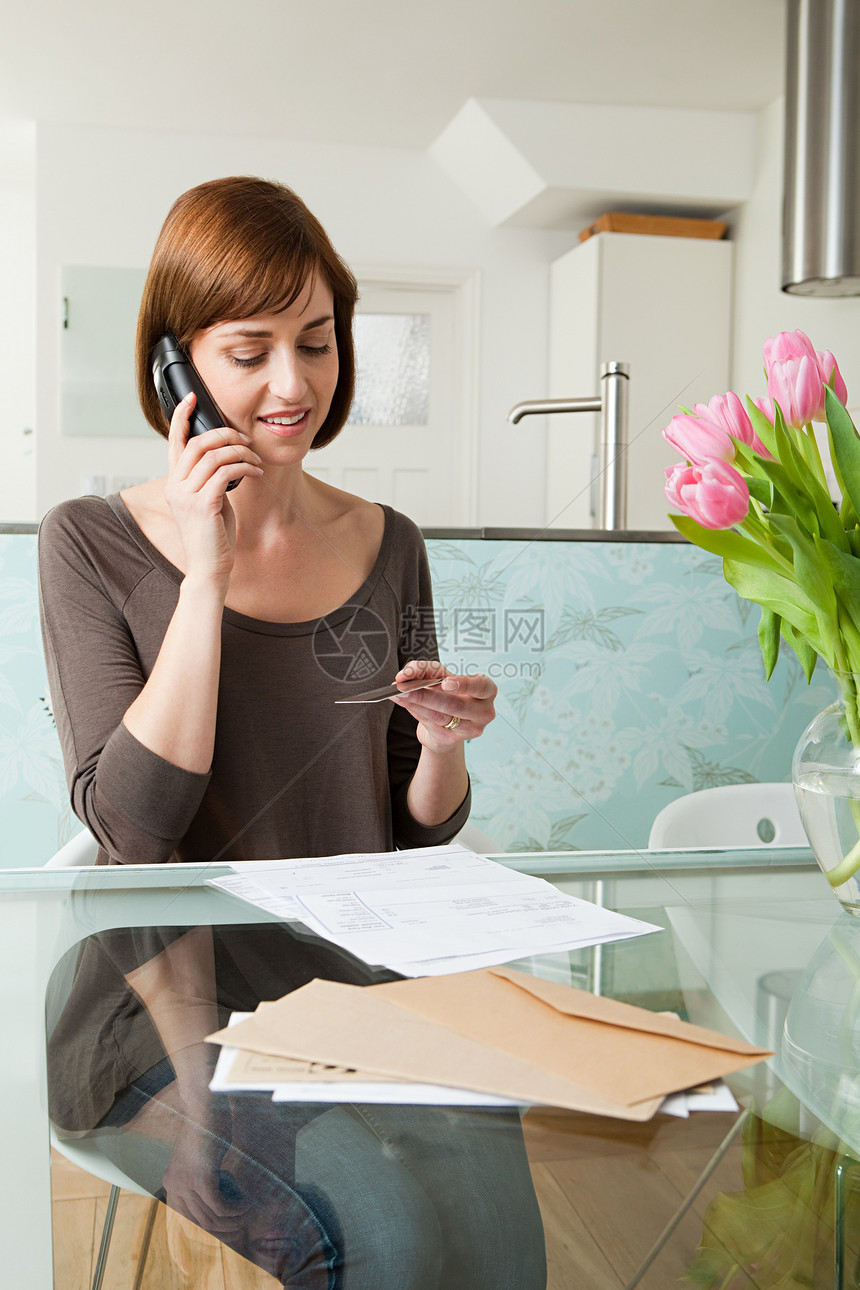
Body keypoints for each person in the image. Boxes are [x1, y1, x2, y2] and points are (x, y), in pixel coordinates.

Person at [39, 177, 547, 1288]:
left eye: (315, 343)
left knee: (497, 1235)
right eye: (248, 350)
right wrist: (205, 574)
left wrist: (444, 740)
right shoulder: (87, 542)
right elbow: (134, 822)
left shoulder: (389, 540)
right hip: (158, 1006)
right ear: (178, 367)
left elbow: (415, 835)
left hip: (353, 986)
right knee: (389, 1236)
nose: (291, 383)